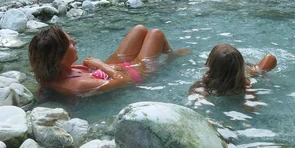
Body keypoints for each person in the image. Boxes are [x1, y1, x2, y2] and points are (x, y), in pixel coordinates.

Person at [29, 24, 188, 97]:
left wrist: (101, 66)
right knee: (156, 33)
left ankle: (169, 53)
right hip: (135, 73)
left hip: (111, 67)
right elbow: (124, 81)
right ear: (59, 58)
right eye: (70, 43)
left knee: (139, 29)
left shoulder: (55, 71)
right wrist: (100, 65)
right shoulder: (77, 85)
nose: (75, 43)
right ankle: (170, 56)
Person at [189, 44, 277, 96]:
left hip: (244, 74)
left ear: (210, 65)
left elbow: (194, 94)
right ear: (240, 66)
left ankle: (256, 68)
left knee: (264, 65)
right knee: (266, 62)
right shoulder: (244, 83)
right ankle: (252, 67)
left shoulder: (205, 82)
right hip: (242, 74)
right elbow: (252, 106)